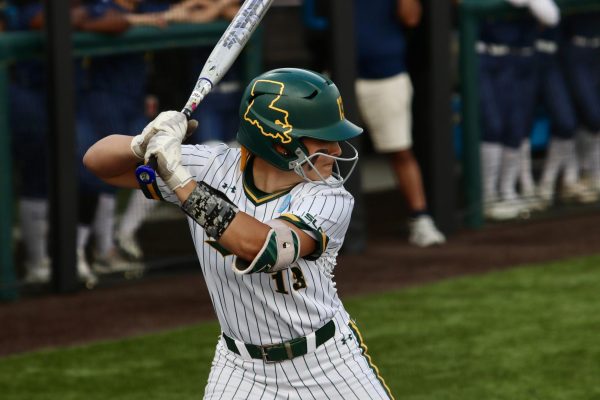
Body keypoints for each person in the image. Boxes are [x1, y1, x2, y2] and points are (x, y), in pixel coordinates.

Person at [84, 68, 395, 399]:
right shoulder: (209, 167)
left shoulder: (329, 197)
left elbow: (262, 248)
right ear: (279, 141)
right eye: (322, 138)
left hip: (327, 364)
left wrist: (181, 182)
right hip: (241, 369)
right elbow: (97, 163)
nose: (335, 149)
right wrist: (143, 142)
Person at [354, 0, 445, 247]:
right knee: (326, 156)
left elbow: (411, 17)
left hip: (386, 72)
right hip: (341, 71)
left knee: (400, 149)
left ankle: (420, 219)